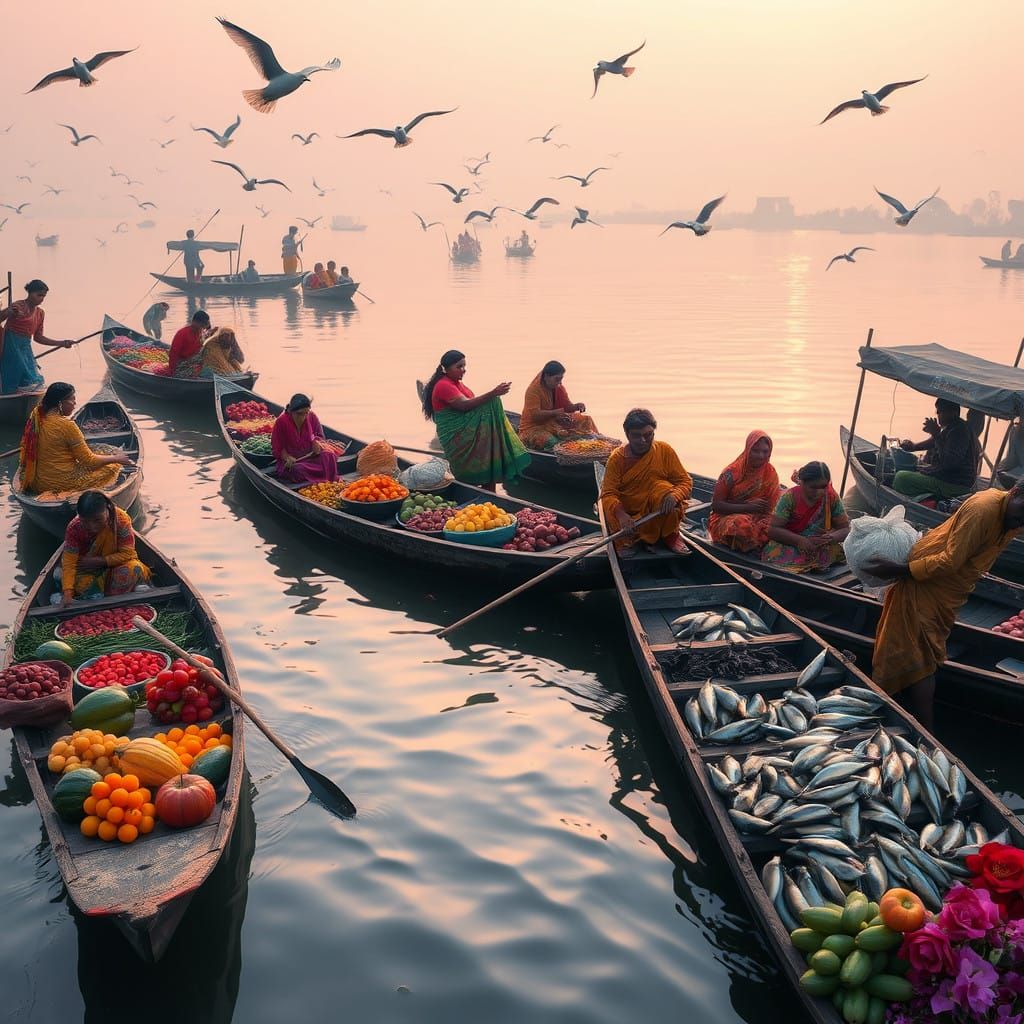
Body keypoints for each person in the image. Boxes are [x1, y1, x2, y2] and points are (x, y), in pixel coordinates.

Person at [866, 485, 1024, 729]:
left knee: (922, 652)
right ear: (1014, 492)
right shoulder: (983, 509)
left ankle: (915, 724)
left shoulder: (1012, 518)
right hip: (929, 580)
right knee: (918, 654)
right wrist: (901, 571)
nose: (1020, 522)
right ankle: (915, 722)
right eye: (1021, 512)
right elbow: (949, 561)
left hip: (950, 588)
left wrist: (900, 570)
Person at [421, 349, 529, 491]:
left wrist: (492, 397)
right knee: (493, 402)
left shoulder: (457, 383)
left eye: (464, 366)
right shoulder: (443, 385)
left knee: (488, 458)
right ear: (446, 369)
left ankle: (490, 494)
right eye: (459, 366)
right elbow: (464, 405)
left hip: (467, 429)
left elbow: (472, 404)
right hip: (457, 435)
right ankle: (471, 492)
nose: (463, 370)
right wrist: (493, 393)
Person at [600, 408, 692, 557]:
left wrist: (675, 495)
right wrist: (621, 514)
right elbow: (608, 494)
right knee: (613, 512)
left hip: (658, 511)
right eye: (637, 436)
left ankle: (670, 535)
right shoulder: (616, 459)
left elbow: (685, 481)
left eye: (648, 435)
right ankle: (633, 539)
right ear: (627, 435)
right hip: (630, 514)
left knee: (665, 490)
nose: (643, 441)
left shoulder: (664, 450)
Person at [18, 382, 133, 496]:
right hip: (63, 484)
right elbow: (89, 462)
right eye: (72, 399)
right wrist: (116, 458)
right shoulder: (67, 425)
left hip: (38, 483)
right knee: (112, 467)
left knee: (100, 455)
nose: (75, 403)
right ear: (60, 403)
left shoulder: (37, 419)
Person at [59, 491, 151, 606]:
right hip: (87, 571)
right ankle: (116, 593)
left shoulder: (121, 521)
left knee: (134, 568)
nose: (92, 527)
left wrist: (97, 561)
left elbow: (128, 554)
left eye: (97, 520)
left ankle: (103, 595)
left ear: (107, 510)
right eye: (85, 522)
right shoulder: (74, 528)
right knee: (64, 577)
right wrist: (68, 593)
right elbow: (69, 563)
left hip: (114, 566)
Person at [762, 460, 850, 571]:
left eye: (823, 487)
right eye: (813, 487)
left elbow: (845, 529)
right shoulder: (790, 498)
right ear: (802, 483)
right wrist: (800, 541)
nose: (819, 492)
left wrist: (830, 538)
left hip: (821, 546)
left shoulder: (831, 497)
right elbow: (773, 529)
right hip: (792, 544)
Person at [709, 430, 780, 552]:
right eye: (756, 451)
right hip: (727, 517)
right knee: (741, 526)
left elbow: (772, 506)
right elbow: (716, 506)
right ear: (748, 450)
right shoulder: (731, 473)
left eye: (765, 451)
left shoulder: (770, 472)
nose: (761, 456)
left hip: (759, 516)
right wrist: (747, 507)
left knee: (778, 528)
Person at [893, 398, 979, 499]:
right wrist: (914, 446)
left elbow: (949, 463)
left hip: (955, 485)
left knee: (901, 477)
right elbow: (935, 441)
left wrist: (936, 434)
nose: (937, 415)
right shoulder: (954, 426)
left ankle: (927, 498)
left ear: (954, 413)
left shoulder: (959, 431)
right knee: (913, 468)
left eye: (940, 412)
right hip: (949, 479)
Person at [0, 279, 73, 394]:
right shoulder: (19, 305)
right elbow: (1, 317)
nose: (41, 299)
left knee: (31, 377)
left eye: (43, 296)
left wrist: (62, 343)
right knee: (15, 370)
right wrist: (10, 312)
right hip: (11, 344)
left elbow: (38, 337)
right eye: (38, 295)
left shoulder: (40, 313)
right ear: (30, 293)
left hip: (25, 347)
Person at [518, 360, 599, 450]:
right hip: (533, 428)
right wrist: (555, 413)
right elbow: (535, 416)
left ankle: (594, 444)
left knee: (586, 420)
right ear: (546, 376)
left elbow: (566, 407)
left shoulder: (558, 387)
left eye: (561, 379)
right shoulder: (533, 391)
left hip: (553, 422)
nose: (559, 383)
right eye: (557, 379)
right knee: (552, 442)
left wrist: (577, 406)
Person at [271, 393, 339, 483]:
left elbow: (320, 436)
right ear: (291, 411)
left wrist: (317, 443)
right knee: (297, 469)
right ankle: (319, 477)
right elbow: (277, 447)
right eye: (299, 414)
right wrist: (287, 457)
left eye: (306, 413)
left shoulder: (311, 416)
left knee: (329, 455)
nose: (303, 417)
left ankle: (324, 479)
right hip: (295, 461)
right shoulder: (281, 421)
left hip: (311, 456)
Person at [168, 309, 211, 377]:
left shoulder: (200, 332)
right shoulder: (182, 333)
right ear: (194, 322)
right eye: (201, 325)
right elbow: (173, 353)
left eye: (203, 326)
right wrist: (171, 370)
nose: (202, 328)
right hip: (181, 362)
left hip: (191, 360)